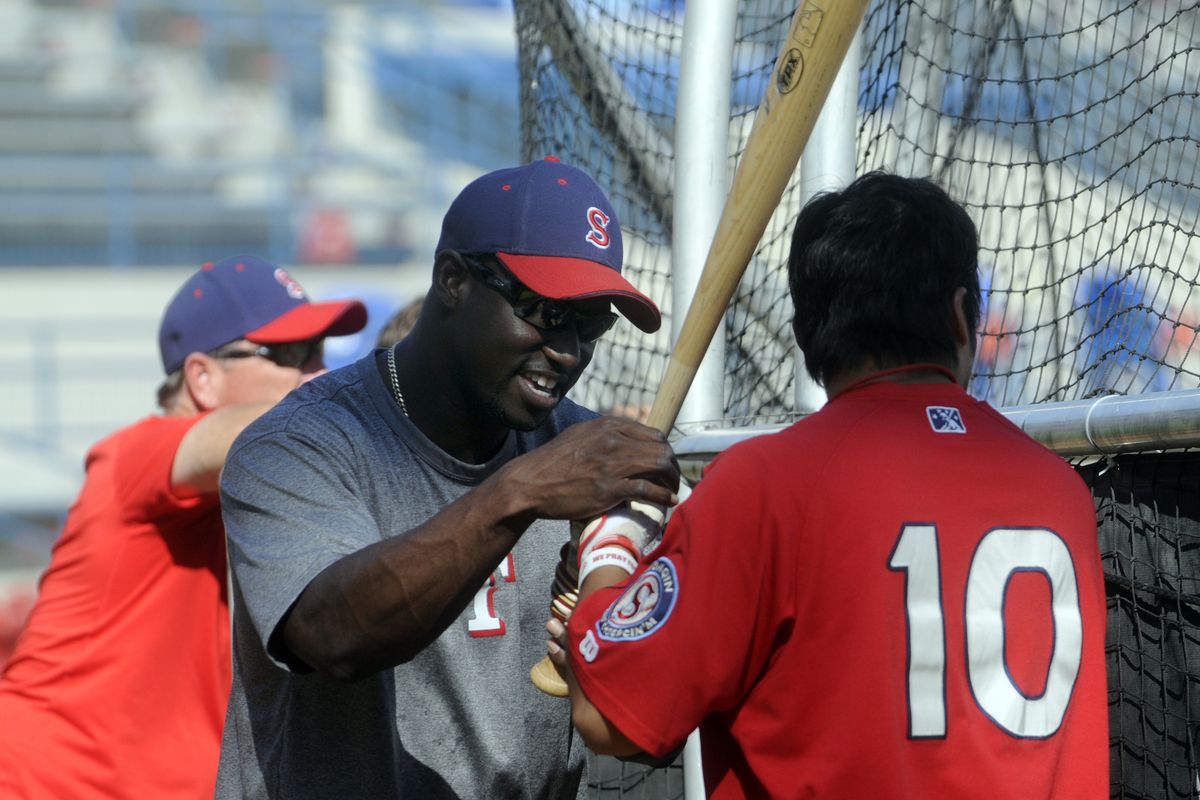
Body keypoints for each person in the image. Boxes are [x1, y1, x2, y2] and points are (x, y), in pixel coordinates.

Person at [550, 172, 1109, 799]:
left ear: (809, 335)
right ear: (959, 316)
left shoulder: (766, 485)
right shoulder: (1061, 490)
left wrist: (612, 543)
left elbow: (607, 714)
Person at [215, 157, 680, 799]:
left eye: (590, 323)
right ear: (454, 280)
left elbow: (652, 729)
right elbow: (333, 637)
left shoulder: (590, 461)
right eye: (545, 312)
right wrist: (521, 492)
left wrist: (621, 658)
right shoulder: (298, 443)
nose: (568, 350)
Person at [0, 255, 367, 800]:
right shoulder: (136, 452)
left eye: (319, 353)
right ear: (201, 377)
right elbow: (243, 438)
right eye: (290, 354)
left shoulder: (277, 483)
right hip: (52, 781)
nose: (317, 374)